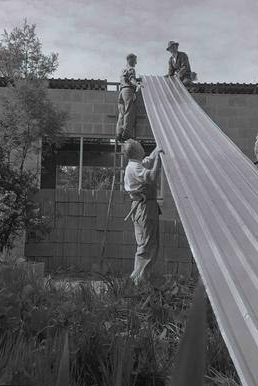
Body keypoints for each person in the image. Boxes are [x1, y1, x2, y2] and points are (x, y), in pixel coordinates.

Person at [122, 139, 163, 285]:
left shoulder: (135, 165)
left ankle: (138, 279)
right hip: (145, 207)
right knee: (148, 246)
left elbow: (149, 159)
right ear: (136, 150)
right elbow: (151, 177)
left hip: (141, 206)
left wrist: (158, 148)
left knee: (145, 245)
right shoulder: (135, 167)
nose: (142, 146)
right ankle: (139, 281)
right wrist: (159, 157)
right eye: (139, 145)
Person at [116, 53, 142, 142]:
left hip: (122, 91)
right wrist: (137, 85)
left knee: (122, 113)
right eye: (135, 60)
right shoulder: (131, 69)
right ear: (130, 59)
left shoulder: (123, 70)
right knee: (129, 112)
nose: (136, 63)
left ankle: (119, 133)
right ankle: (126, 134)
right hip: (128, 90)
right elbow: (132, 79)